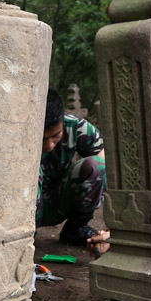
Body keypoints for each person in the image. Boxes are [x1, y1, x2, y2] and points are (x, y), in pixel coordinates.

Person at [37, 88, 107, 246]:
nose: (49, 145)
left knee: (97, 166)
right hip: (27, 207)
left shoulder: (76, 126)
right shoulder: (18, 133)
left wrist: (113, 231)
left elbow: (109, 172)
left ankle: (75, 229)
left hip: (59, 200)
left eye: (55, 136)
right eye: (43, 138)